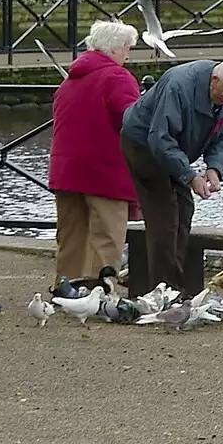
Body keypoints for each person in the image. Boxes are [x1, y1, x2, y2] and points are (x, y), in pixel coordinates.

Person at [119, 58, 223, 292]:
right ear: (214, 80)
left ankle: (174, 284)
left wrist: (214, 168)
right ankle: (162, 290)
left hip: (173, 148)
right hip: (143, 144)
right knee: (165, 216)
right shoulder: (178, 85)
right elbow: (160, 138)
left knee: (184, 210)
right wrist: (190, 176)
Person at [49, 21, 141, 284]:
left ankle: (66, 289)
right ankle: (101, 292)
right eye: (127, 47)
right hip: (104, 171)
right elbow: (131, 121)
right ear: (115, 48)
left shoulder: (70, 79)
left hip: (67, 170)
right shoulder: (118, 77)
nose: (128, 54)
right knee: (107, 238)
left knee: (70, 236)